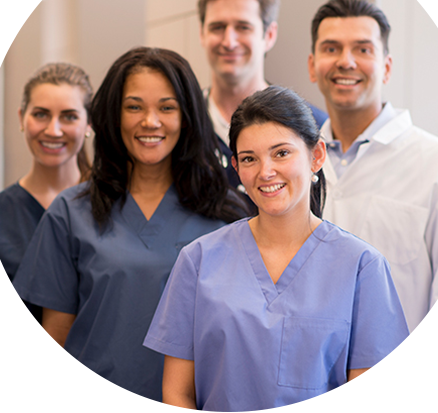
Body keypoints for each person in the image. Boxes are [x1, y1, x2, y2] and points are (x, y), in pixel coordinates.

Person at [144, 86, 416, 413]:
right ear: (237, 167)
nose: (266, 172)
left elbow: (365, 407)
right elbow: (177, 396)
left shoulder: (362, 267)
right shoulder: (198, 260)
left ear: (316, 156)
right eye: (249, 159)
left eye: (281, 153)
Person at [10, 47, 247, 413]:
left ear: (187, 117)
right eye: (134, 106)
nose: (150, 121)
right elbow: (54, 340)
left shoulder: (226, 217)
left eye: (166, 107)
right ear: (113, 115)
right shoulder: (72, 213)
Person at [308, 0, 438, 412]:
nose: (345, 61)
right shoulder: (294, 167)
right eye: (331, 49)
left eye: (362, 49)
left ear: (385, 65)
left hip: (403, 403)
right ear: (312, 65)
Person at [0, 63, 93, 412]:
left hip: (91, 397)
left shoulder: (112, 212)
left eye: (69, 116)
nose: (53, 129)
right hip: (7, 398)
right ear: (21, 117)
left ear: (89, 124)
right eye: (41, 114)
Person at [198, 0, 327, 194]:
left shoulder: (314, 126)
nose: (229, 41)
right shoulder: (182, 123)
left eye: (243, 27)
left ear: (269, 35)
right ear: (202, 34)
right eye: (218, 27)